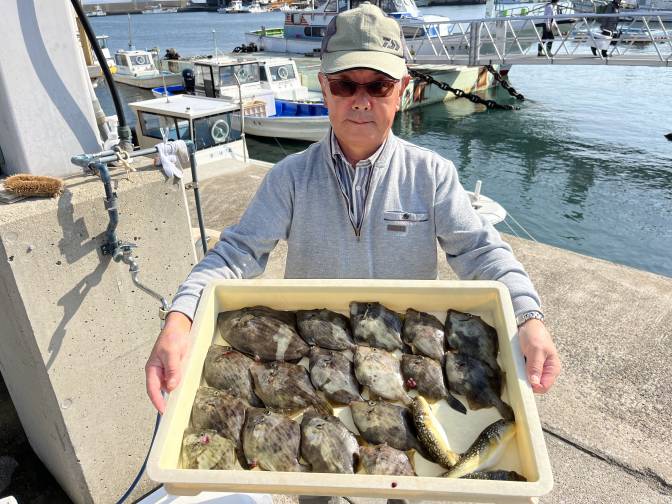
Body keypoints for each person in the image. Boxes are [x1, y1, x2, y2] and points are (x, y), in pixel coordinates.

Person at [145, 4, 561, 416]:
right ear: (324, 88)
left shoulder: (432, 174)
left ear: (401, 90)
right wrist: (180, 318)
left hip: (406, 362)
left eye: (378, 86)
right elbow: (236, 253)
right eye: (345, 85)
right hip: (316, 367)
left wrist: (529, 318)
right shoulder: (289, 177)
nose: (361, 101)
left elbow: (481, 252)